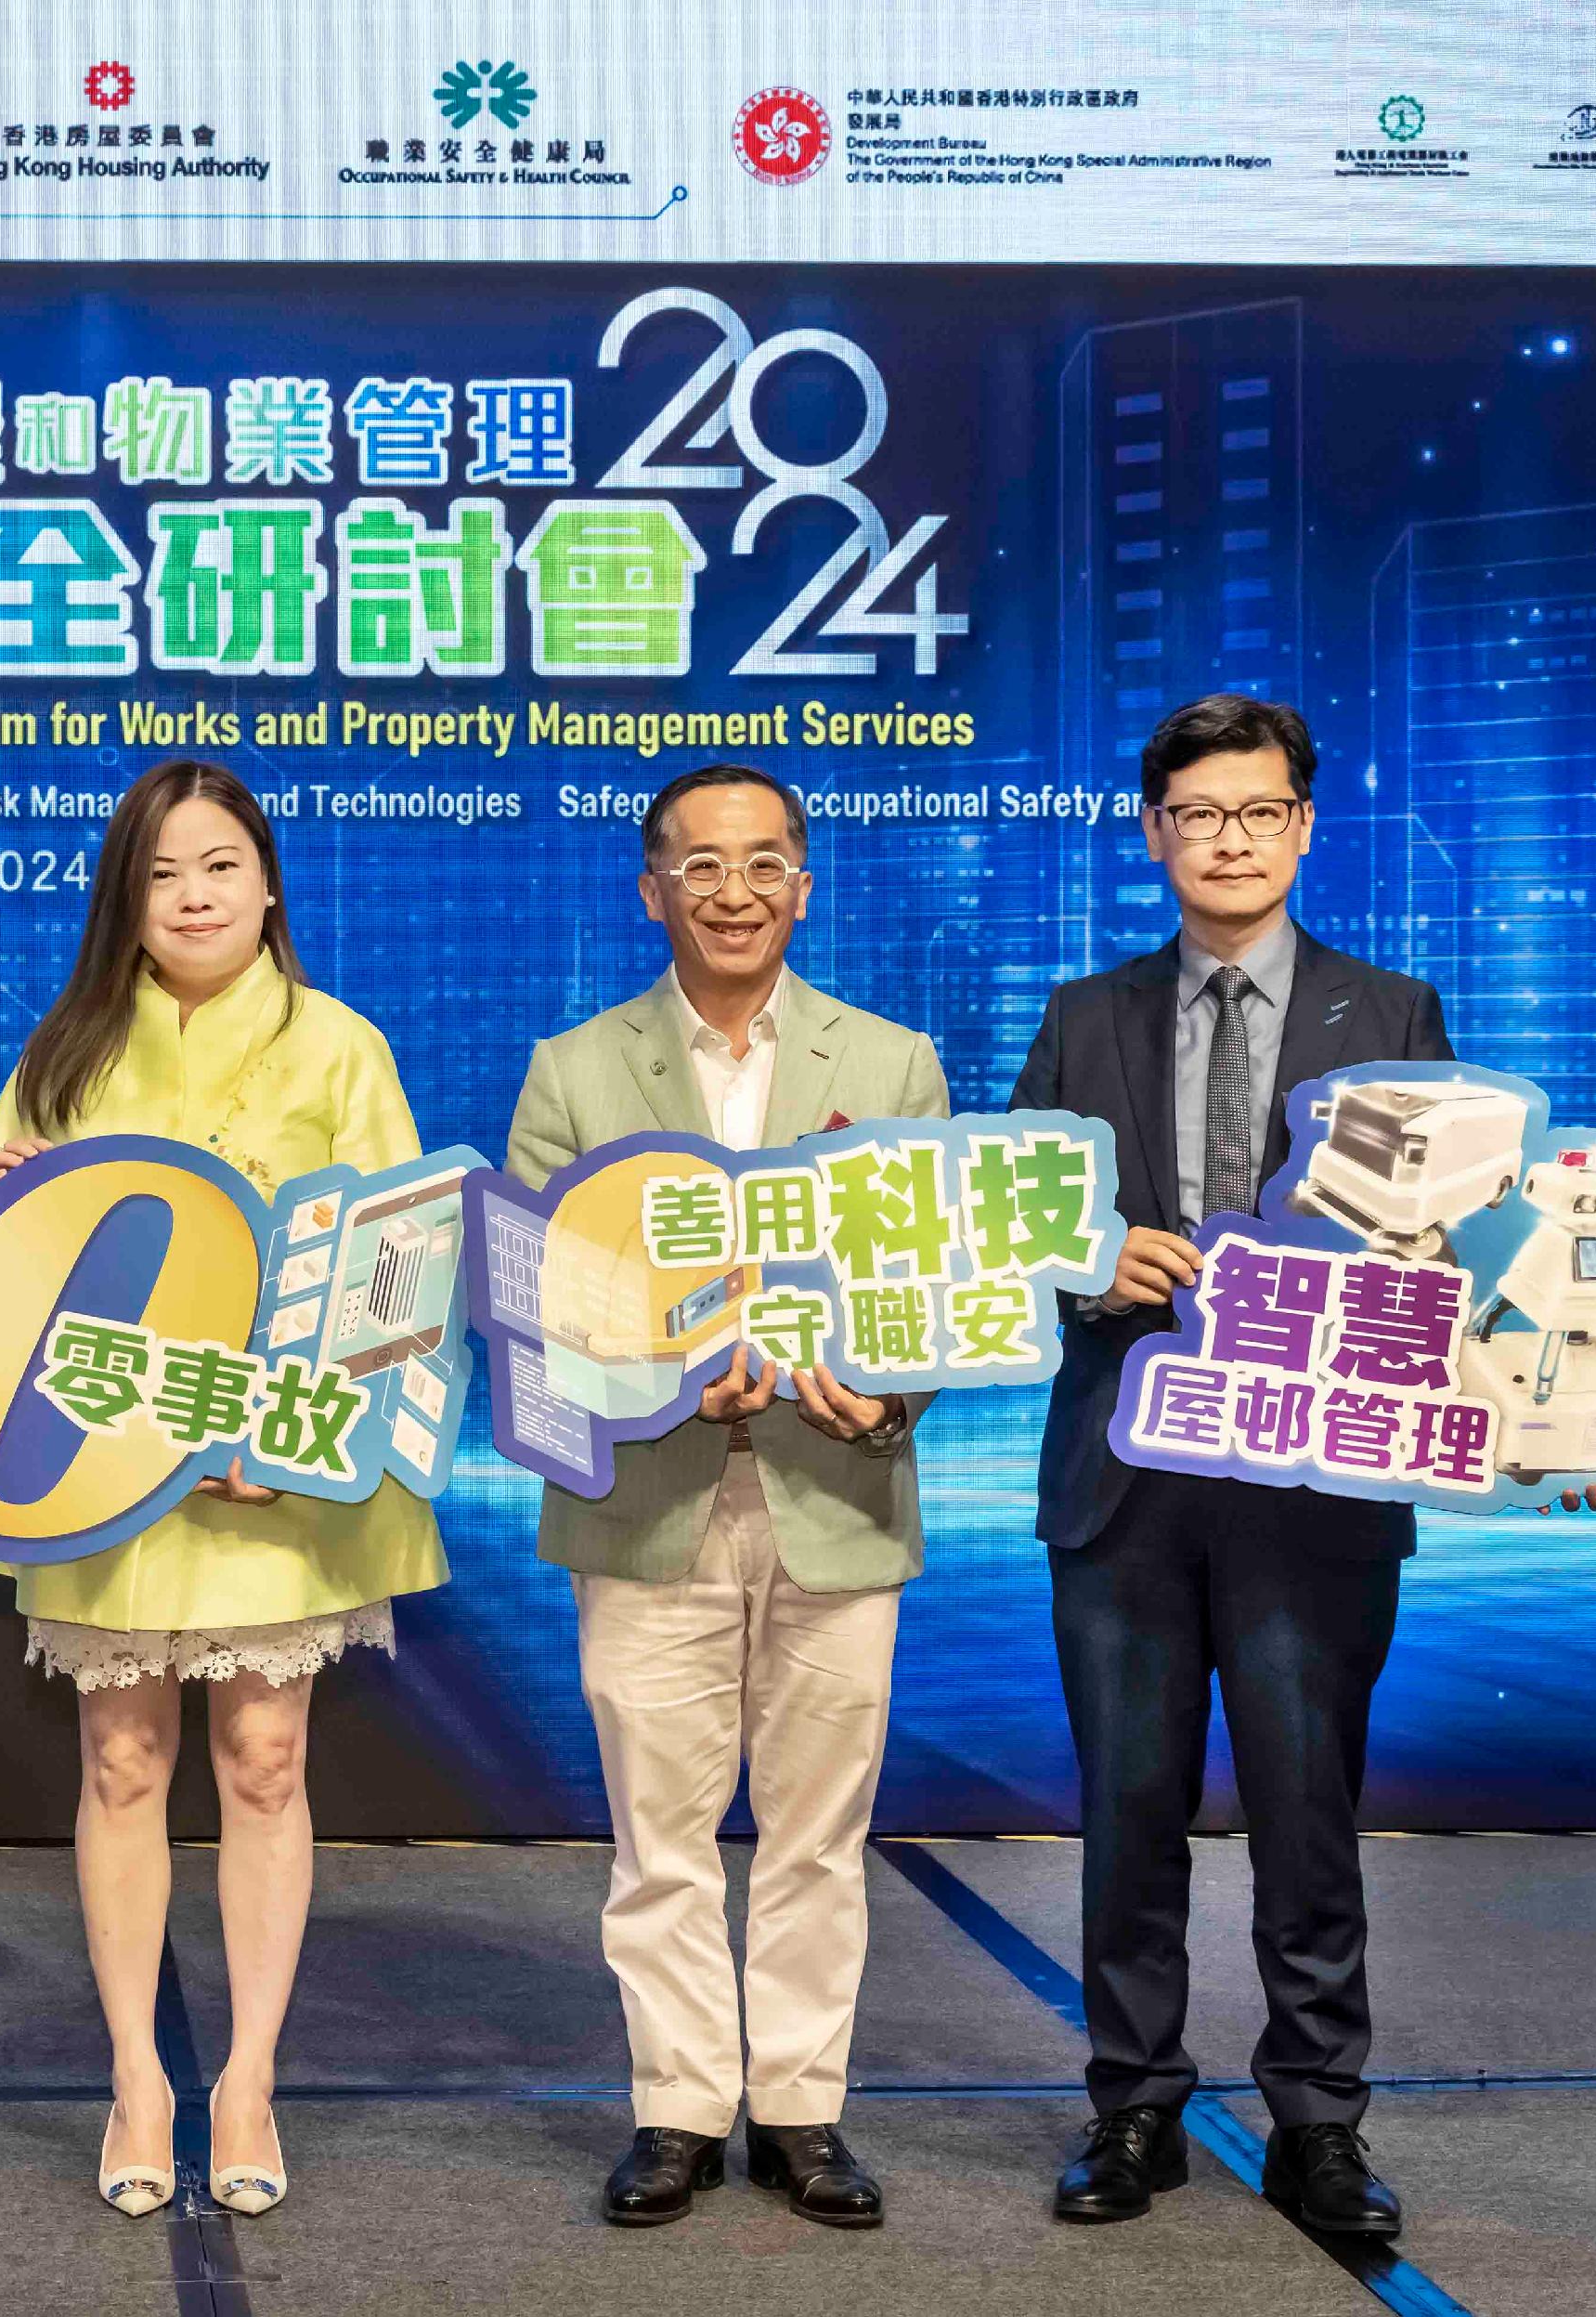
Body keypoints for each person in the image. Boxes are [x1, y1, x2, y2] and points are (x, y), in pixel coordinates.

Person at [1012, 693, 1596, 2238]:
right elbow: (1013, 1224)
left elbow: (1467, 1246)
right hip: (1126, 1478)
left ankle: (1318, 2125)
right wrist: (1095, 1264)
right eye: (1198, 815)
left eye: (1258, 812)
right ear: (1154, 834)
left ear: (1304, 825)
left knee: (1307, 1811)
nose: (1229, 839)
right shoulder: (1085, 1015)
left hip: (1317, 1483)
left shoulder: (1394, 1011)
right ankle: (1133, 2108)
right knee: (1126, 1812)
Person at [0, 759, 441, 2221]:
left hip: (272, 1462)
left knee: (265, 1762)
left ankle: (245, 2079)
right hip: (111, 1463)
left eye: (221, 865)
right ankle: (136, 2077)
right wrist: (11, 1209)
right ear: (128, 895)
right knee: (118, 1765)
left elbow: (400, 1271)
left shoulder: (340, 1046)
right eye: (165, 872)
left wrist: (289, 1432)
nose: (193, 895)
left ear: (270, 883)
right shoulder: (65, 1053)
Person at [500, 763, 947, 2231]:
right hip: (649, 1500)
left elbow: (938, 1290)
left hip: (840, 1487)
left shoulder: (890, 1067)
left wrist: (887, 1389)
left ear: (803, 885)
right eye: (702, 866)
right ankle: (680, 2106)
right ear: (655, 888)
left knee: (821, 1829)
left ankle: (804, 2110)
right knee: (660, 1831)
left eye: (763, 864)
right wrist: (663, 1373)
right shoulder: (576, 1069)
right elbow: (537, 1305)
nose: (734, 890)